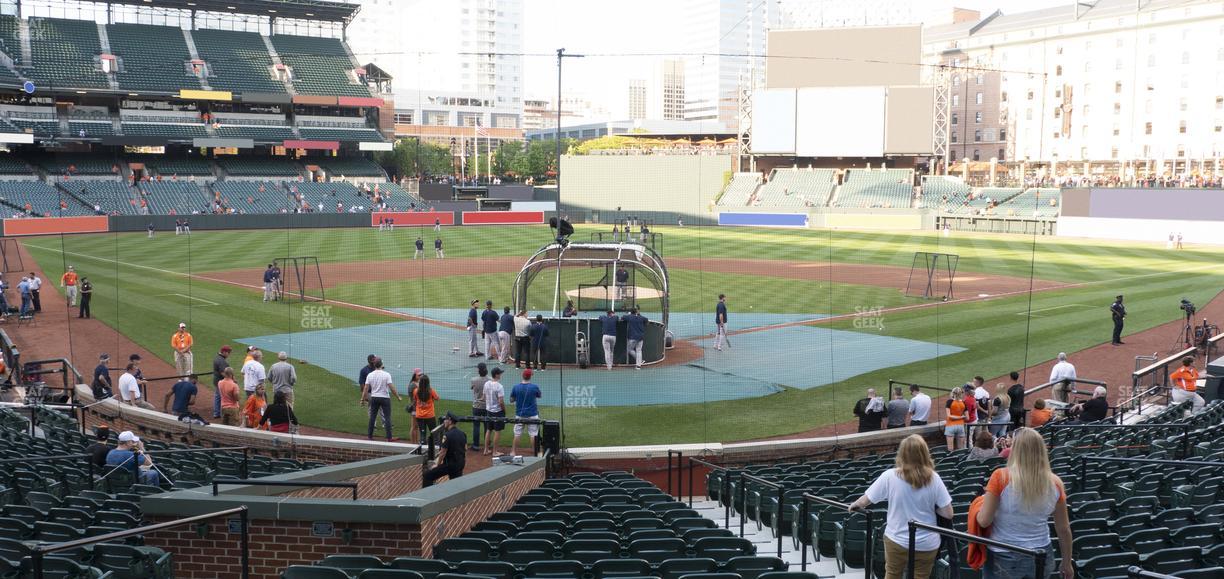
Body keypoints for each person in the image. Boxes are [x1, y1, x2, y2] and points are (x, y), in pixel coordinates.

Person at [975, 428, 1074, 579]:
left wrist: (979, 505)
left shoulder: (1000, 477)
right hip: (1042, 554)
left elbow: (983, 520)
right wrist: (1067, 562)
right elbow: (1063, 529)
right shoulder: (1056, 483)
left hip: (1004, 554)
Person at [848, 435, 952, 579]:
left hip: (897, 540)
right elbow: (948, 513)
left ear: (902, 453)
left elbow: (865, 501)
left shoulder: (890, 476)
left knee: (892, 575)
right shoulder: (934, 478)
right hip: (927, 542)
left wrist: (854, 505)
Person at [361, 358, 400, 441]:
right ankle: (389, 437)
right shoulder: (386, 374)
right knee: (387, 417)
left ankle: (369, 436)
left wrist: (362, 399)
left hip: (374, 397)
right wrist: (397, 396)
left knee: (372, 417)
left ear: (374, 365)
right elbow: (391, 387)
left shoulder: (370, 375)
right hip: (385, 398)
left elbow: (366, 388)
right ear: (382, 365)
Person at [423, 412, 466, 487]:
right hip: (460, 463)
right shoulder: (462, 433)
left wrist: (437, 464)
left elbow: (443, 452)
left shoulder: (447, 435)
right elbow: (465, 448)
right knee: (456, 484)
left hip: (450, 465)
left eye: (445, 419)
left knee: (427, 476)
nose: (444, 421)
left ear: (450, 421)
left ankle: (428, 496)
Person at [510, 369, 542, 457]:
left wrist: (518, 397)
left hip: (519, 415)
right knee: (533, 434)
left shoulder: (516, 387)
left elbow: (511, 400)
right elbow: (539, 395)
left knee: (517, 434)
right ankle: (536, 452)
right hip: (532, 415)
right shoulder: (534, 387)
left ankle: (513, 452)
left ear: (522, 376)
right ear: (530, 376)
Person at [483, 367, 506, 455]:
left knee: (489, 429)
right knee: (497, 431)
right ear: (496, 375)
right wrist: (504, 410)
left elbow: (484, 397)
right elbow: (501, 401)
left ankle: (486, 450)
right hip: (497, 412)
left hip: (488, 410)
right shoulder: (499, 386)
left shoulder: (486, 384)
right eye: (500, 373)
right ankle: (495, 452)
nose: (500, 374)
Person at [413, 374, 441, 445]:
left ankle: (422, 448)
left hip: (419, 416)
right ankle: (435, 449)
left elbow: (415, 399)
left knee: (422, 433)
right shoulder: (431, 391)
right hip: (430, 416)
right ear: (428, 382)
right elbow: (437, 398)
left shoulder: (416, 391)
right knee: (434, 433)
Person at [470, 363, 489, 450]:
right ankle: (486, 445)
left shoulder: (473, 380)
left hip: (476, 406)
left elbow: (472, 388)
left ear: (479, 370)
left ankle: (476, 445)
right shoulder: (490, 380)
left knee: (476, 426)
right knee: (487, 426)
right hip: (487, 406)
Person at [212, 345, 232, 419]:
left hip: (216, 380)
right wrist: (231, 380)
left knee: (218, 396)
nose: (229, 354)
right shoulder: (221, 361)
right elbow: (223, 373)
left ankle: (216, 413)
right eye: (228, 352)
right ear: (223, 352)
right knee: (224, 397)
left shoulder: (218, 358)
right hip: (220, 382)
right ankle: (221, 413)